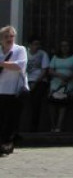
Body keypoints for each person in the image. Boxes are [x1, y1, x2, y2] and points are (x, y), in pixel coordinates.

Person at [0, 25, 28, 156]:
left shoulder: (20, 50)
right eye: (6, 37)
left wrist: (1, 63)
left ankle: (7, 144)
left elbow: (19, 65)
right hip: (1, 90)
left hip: (15, 91)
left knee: (11, 120)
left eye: (11, 36)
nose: (9, 39)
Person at [46, 40, 73, 132]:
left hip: (68, 84)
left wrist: (67, 78)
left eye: (67, 46)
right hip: (56, 83)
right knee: (52, 103)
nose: (65, 48)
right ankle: (52, 125)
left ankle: (58, 126)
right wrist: (60, 75)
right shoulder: (55, 57)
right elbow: (50, 70)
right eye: (62, 46)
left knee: (63, 105)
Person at [24, 37, 49, 132]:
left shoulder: (43, 54)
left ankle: (34, 127)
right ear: (29, 45)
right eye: (35, 44)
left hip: (39, 81)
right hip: (26, 81)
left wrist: (36, 82)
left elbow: (44, 70)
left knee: (36, 102)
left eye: (38, 44)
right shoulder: (25, 53)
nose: (37, 46)